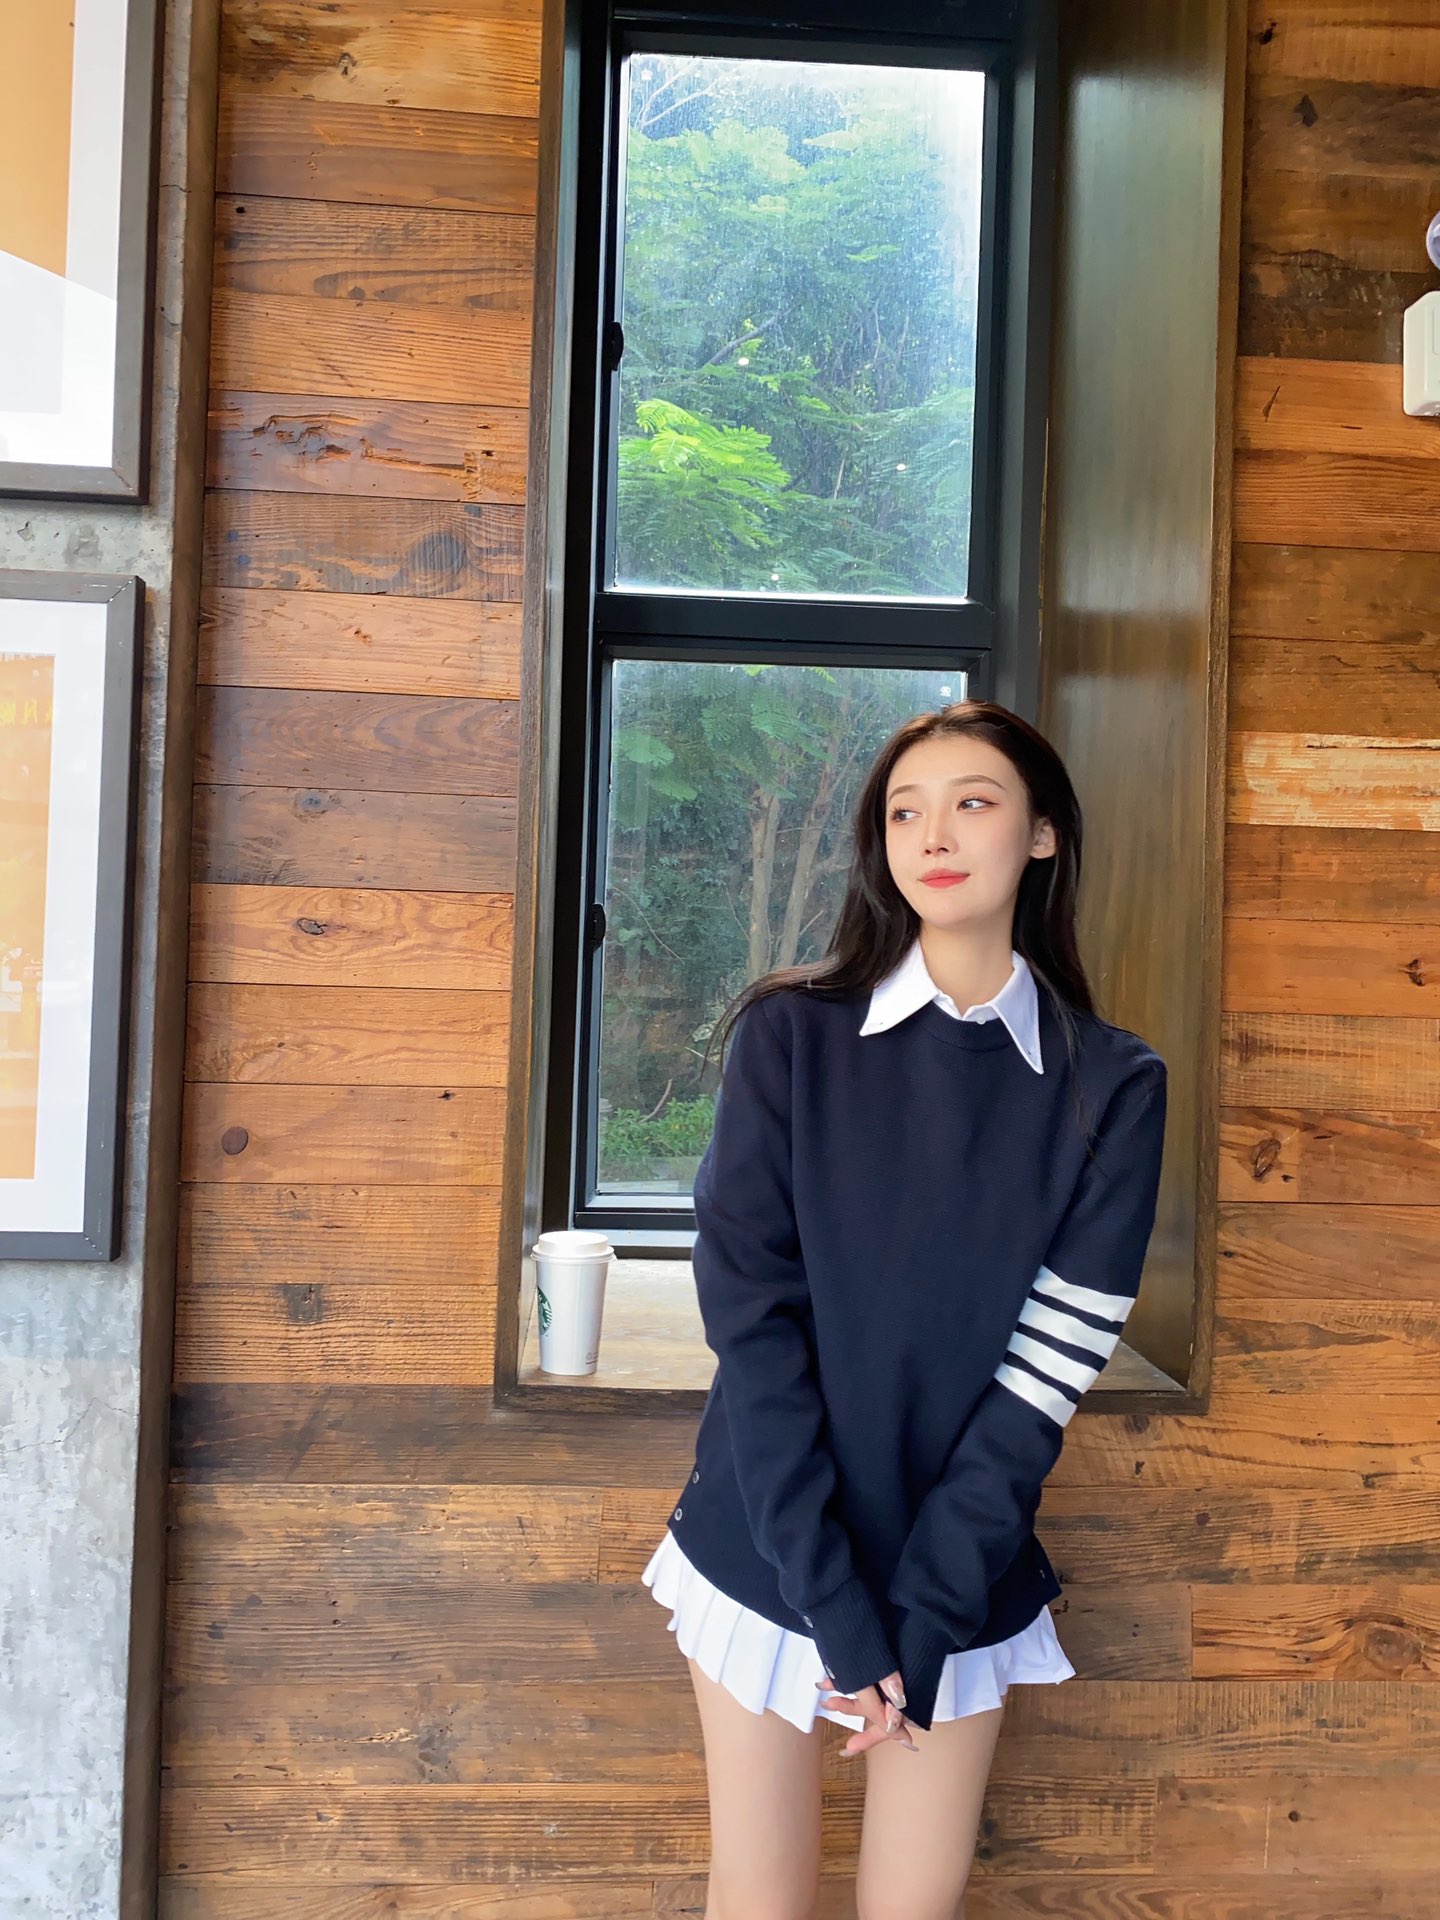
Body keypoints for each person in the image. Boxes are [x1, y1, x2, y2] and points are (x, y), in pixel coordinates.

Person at [640, 698, 1169, 1920]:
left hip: (959, 1570)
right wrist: (835, 1604)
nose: (934, 835)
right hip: (771, 1546)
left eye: (974, 803)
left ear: (1042, 833)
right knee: (760, 1897)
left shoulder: (1113, 1085)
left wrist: (920, 1619)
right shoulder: (789, 1037)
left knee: (913, 1907)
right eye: (904, 812)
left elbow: (1046, 1376)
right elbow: (755, 1339)